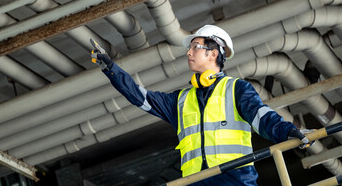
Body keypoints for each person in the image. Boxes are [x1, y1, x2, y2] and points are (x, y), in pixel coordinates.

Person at [90, 25, 312, 185]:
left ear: (213, 53)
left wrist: (288, 132)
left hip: (234, 180)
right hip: (195, 182)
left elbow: (263, 118)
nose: (188, 52)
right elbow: (140, 97)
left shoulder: (236, 89)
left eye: (195, 46)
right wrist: (111, 69)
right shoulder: (180, 100)